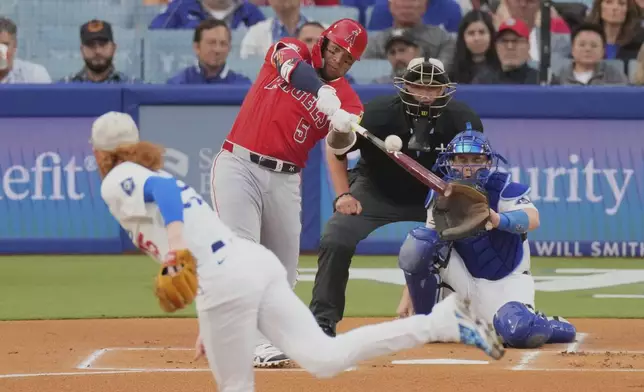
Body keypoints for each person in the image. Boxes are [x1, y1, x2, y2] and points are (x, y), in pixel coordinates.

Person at [91, 111, 504, 392]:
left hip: (227, 279)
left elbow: (165, 198)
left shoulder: (120, 177)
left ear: (100, 153)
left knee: (235, 386)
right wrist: (215, 318)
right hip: (248, 267)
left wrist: (176, 251)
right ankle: (439, 322)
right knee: (325, 359)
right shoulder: (149, 169)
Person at [210, 18, 368, 367]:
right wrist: (322, 93)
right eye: (336, 49)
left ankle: (246, 331)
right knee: (244, 255)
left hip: (285, 178)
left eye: (347, 58)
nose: (338, 59)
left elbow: (340, 145)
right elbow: (291, 67)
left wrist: (344, 127)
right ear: (324, 42)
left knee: (283, 271)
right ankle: (248, 342)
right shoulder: (290, 48)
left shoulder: (351, 101)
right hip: (239, 164)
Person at [309, 57, 484, 337]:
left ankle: (471, 310)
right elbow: (335, 150)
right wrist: (342, 194)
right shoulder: (377, 113)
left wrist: (411, 286)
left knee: (472, 230)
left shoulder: (463, 120)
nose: (425, 95)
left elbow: (469, 175)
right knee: (336, 236)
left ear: (444, 91)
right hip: (376, 188)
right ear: (405, 87)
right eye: (418, 87)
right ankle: (322, 321)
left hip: (434, 196)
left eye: (433, 88)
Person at [395, 130, 577, 349]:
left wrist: (497, 219)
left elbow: (532, 218)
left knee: (519, 331)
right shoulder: (441, 193)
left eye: (476, 159)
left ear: (488, 162)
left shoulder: (503, 188)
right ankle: (424, 323)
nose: (468, 166)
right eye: (461, 160)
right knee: (420, 241)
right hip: (462, 281)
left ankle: (548, 324)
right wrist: (409, 295)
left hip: (505, 282)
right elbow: (424, 251)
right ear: (450, 162)